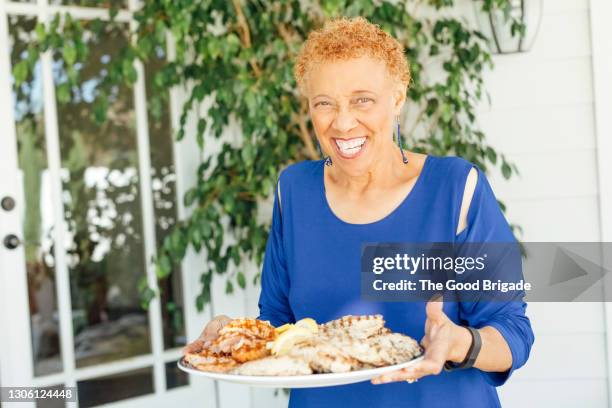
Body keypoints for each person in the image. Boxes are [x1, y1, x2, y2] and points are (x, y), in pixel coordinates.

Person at [185, 16, 534, 408]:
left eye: (362, 100)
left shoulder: (455, 188)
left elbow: (513, 334)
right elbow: (281, 326)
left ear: (398, 97)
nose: (343, 122)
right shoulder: (294, 191)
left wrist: (459, 343)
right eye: (324, 104)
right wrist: (236, 336)